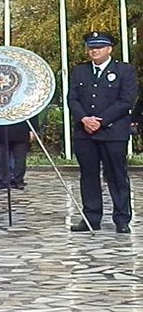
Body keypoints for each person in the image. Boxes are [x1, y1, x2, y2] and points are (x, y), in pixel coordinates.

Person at [67, 31, 137, 234]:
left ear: (110, 49)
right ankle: (91, 218)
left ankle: (122, 219)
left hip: (113, 132)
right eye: (91, 47)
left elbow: (126, 100)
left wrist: (102, 121)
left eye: (99, 47)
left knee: (116, 176)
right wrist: (84, 119)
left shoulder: (124, 70)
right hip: (85, 132)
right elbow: (72, 99)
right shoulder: (80, 71)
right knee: (88, 176)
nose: (94, 51)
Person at [0, 116, 39, 191]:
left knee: (20, 159)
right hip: (0, 129)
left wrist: (33, 129)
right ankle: (4, 181)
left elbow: (31, 110)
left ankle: (18, 181)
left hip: (21, 129)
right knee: (2, 158)